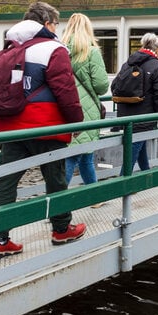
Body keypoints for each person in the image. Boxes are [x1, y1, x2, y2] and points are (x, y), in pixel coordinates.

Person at [0, 2, 85, 259]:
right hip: (46, 126)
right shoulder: (54, 49)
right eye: (55, 24)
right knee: (55, 180)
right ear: (47, 23)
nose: (57, 29)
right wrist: (76, 122)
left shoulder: (11, 47)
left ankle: (0, 241)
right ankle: (62, 229)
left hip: (11, 127)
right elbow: (66, 92)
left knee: (6, 183)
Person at [60, 13, 109, 186]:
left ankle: (94, 195)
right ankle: (56, 198)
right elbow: (102, 86)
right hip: (85, 110)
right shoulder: (92, 51)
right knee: (74, 156)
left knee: (85, 156)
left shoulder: (59, 51)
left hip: (64, 107)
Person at [113, 32, 158, 174]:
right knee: (132, 152)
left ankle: (146, 175)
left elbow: (114, 86)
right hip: (144, 116)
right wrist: (156, 114)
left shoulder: (128, 63)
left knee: (138, 145)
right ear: (157, 50)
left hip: (125, 115)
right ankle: (122, 186)